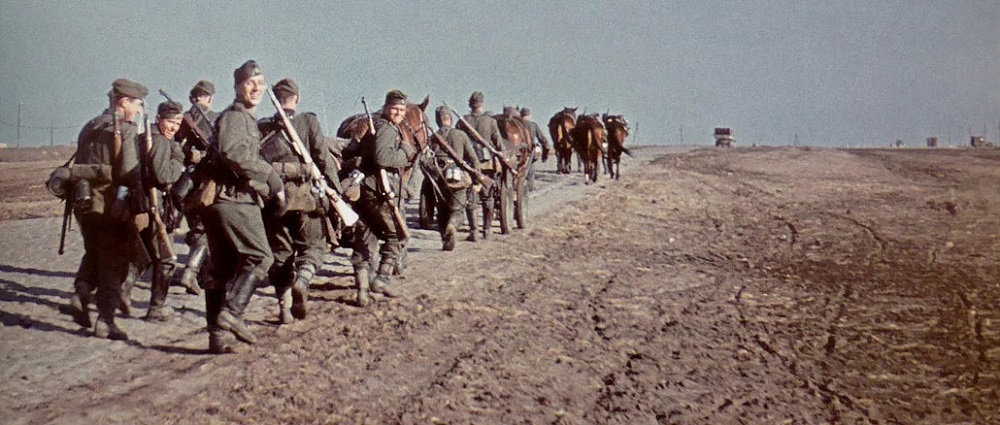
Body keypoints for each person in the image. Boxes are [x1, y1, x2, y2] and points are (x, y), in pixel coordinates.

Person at [200, 60, 283, 353]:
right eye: (250, 83)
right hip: (233, 199)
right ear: (237, 88)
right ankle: (231, 314)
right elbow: (234, 153)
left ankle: (218, 337)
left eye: (260, 83)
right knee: (261, 257)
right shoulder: (236, 117)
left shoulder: (243, 117)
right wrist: (270, 176)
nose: (256, 88)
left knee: (221, 268)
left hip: (220, 200)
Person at [68, 78, 149, 340]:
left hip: (82, 202)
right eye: (137, 104)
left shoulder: (89, 126)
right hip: (109, 204)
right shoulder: (125, 129)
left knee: (95, 251)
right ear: (124, 101)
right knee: (114, 261)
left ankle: (81, 291)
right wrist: (139, 203)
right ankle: (106, 321)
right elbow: (128, 172)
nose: (138, 110)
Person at [258, 78, 341, 323]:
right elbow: (323, 158)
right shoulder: (308, 121)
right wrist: (335, 191)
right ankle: (302, 281)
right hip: (306, 199)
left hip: (274, 200)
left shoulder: (263, 127)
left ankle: (284, 309)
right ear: (297, 98)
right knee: (313, 247)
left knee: (280, 254)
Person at [349, 89, 415, 306]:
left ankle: (362, 291)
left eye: (402, 110)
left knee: (365, 239)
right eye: (395, 109)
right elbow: (383, 158)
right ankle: (382, 279)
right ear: (386, 108)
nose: (398, 113)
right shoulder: (386, 128)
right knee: (398, 236)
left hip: (365, 190)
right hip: (379, 191)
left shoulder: (377, 125)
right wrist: (405, 153)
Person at [140, 100, 187, 321]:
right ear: (159, 119)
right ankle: (156, 308)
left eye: (177, 124)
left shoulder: (147, 137)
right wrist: (178, 158)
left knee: (141, 258)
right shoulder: (159, 141)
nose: (174, 127)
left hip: (144, 205)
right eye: (170, 122)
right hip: (154, 205)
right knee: (167, 259)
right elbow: (163, 175)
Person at [173, 80, 218, 295]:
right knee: (206, 230)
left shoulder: (181, 119)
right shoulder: (215, 118)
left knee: (196, 228)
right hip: (205, 183)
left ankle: (200, 275)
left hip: (183, 182)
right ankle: (191, 272)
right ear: (209, 97)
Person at [426, 105, 479, 250]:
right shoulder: (460, 135)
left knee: (442, 212)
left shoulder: (432, 138)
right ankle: (452, 225)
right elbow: (473, 158)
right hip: (457, 179)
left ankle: (446, 240)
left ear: (438, 120)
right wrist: (476, 179)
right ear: (450, 118)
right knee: (457, 211)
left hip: (437, 180)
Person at [460, 91, 503, 241]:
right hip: (486, 164)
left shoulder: (463, 121)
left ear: (470, 105)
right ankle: (487, 230)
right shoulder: (490, 121)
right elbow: (498, 143)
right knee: (487, 198)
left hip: (469, 164)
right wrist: (503, 158)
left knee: (470, 198)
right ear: (482, 104)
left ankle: (474, 232)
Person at [520, 107, 550, 192]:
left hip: (518, 151)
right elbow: (542, 138)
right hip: (529, 151)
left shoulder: (516, 123)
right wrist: (546, 149)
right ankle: (530, 187)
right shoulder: (533, 125)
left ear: (520, 115)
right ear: (529, 115)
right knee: (531, 170)